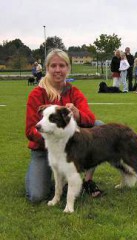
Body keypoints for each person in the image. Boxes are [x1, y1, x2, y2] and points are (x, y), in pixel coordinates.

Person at [25, 49, 103, 203]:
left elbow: (90, 119)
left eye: (62, 65)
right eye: (53, 66)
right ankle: (54, 177)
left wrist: (77, 114)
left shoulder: (74, 92)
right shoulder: (37, 94)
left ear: (68, 68)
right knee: (37, 196)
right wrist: (55, 141)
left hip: (71, 149)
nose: (58, 70)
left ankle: (87, 180)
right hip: (45, 150)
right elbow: (30, 130)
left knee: (99, 126)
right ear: (47, 68)